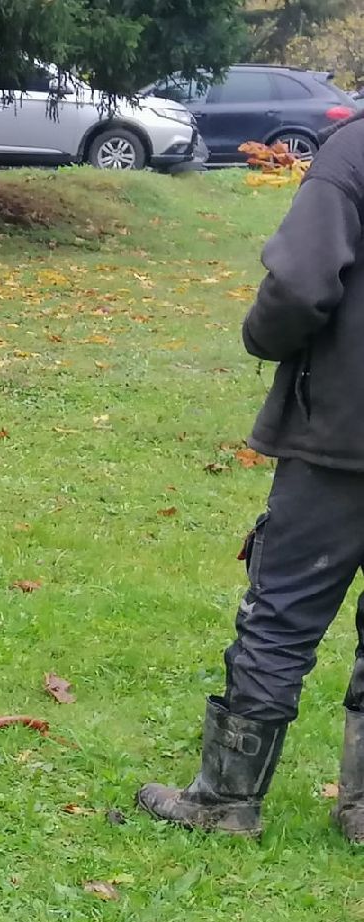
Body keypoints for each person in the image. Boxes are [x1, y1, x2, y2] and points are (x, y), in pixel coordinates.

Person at [138, 115, 364, 840]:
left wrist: (261, 335)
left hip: (342, 435)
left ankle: (222, 802)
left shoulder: (354, 151)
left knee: (282, 612)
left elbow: (298, 285)